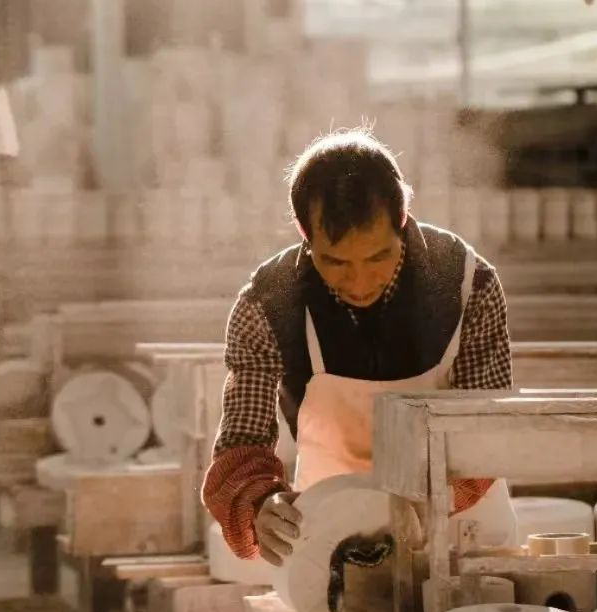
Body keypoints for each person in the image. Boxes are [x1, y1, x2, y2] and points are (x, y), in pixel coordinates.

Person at [202, 128, 514, 566]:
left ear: (402, 221)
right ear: (305, 236)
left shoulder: (467, 284)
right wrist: (260, 504)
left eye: (377, 257)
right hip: (335, 532)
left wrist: (428, 499)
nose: (360, 281)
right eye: (335, 262)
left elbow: (486, 429)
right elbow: (242, 441)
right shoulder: (267, 304)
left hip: (461, 526)